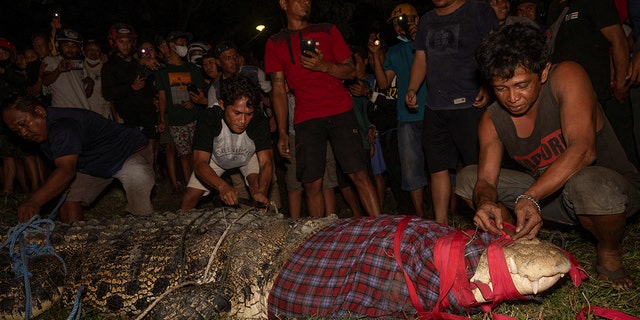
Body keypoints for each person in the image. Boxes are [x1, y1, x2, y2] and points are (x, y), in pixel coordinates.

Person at [456, 23, 640, 289]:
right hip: (551, 197)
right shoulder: (492, 119)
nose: (512, 98)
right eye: (501, 88)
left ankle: (609, 251)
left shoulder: (567, 76)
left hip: (610, 193)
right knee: (467, 179)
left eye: (521, 85)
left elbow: (583, 150)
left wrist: (530, 196)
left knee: (586, 182)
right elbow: (485, 180)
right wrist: (485, 202)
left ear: (543, 72)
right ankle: (521, 239)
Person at [266, 0, 381, 217]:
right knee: (311, 183)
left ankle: (383, 230)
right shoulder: (275, 42)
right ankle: (317, 239)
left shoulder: (327, 30)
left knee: (359, 173)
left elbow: (351, 71)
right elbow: (278, 89)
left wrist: (324, 66)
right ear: (283, 3)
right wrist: (281, 131)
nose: (306, 2)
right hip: (306, 117)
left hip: (339, 110)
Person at [406, 0, 497, 225]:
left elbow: (494, 50)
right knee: (437, 167)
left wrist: (487, 84)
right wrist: (412, 88)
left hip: (470, 104)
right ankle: (441, 226)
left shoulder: (478, 10)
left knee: (478, 167)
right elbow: (421, 59)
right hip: (435, 107)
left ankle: (490, 223)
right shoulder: (427, 20)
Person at [2, 94, 155, 223]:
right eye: (16, 130)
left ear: (40, 111)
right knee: (67, 199)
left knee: (138, 177)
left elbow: (66, 170)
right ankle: (77, 245)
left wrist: (34, 201)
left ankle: (145, 231)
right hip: (92, 161)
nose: (22, 133)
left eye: (23, 124)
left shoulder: (62, 127)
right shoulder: (42, 129)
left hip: (126, 152)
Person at [368, 3, 428, 217]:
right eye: (395, 23)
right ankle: (420, 216)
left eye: (404, 20)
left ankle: (446, 215)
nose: (399, 26)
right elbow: (384, 84)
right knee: (411, 169)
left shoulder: (429, 41)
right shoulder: (394, 52)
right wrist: (375, 55)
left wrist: (420, 37)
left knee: (440, 166)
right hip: (407, 117)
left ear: (417, 20)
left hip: (433, 112)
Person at [180, 74, 273, 209]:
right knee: (189, 199)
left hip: (248, 155)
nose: (242, 121)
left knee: (257, 189)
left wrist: (262, 192)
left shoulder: (259, 120)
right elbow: (199, 163)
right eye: (237, 113)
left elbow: (266, 162)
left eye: (248, 114)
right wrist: (222, 186)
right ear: (222, 105)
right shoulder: (209, 117)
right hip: (216, 158)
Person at [155, 31, 206, 191]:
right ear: (171, 45)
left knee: (197, 153)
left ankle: (200, 183)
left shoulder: (192, 68)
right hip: (176, 120)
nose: (184, 47)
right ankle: (192, 187)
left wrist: (194, 102)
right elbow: (162, 98)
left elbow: (200, 92)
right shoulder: (163, 71)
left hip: (195, 117)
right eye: (180, 43)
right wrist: (162, 119)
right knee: (184, 155)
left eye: (185, 44)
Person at [41, 29, 93, 110]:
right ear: (59, 45)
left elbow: (85, 94)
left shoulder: (80, 64)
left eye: (74, 46)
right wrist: (58, 70)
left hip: (83, 110)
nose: (70, 49)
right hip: (62, 110)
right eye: (66, 45)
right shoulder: (50, 60)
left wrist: (91, 84)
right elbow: (45, 81)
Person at [83, 40, 111, 119]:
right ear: (84, 52)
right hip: (83, 114)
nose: (93, 52)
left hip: (103, 116)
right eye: (90, 50)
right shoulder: (77, 69)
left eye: (97, 50)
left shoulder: (106, 69)